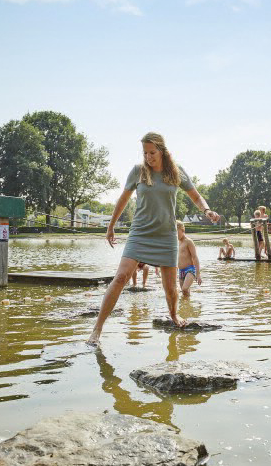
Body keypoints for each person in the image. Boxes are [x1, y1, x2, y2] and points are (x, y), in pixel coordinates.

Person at [87, 132, 219, 345]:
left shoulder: (176, 172)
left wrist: (207, 210)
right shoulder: (138, 172)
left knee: (170, 288)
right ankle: (97, 330)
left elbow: (195, 196)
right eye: (145, 153)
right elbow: (123, 199)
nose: (148, 157)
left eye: (152, 152)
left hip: (166, 235)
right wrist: (111, 226)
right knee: (120, 278)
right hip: (140, 234)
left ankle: (174, 315)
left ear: (162, 151)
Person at [178, 221, 203, 296]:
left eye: (177, 232)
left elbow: (195, 257)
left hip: (190, 270)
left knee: (184, 289)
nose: (175, 234)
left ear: (182, 230)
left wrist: (198, 274)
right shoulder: (178, 242)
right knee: (185, 293)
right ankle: (187, 306)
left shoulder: (188, 241)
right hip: (181, 271)